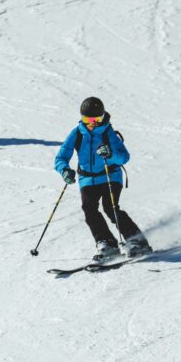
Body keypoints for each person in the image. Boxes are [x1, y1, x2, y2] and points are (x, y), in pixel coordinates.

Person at [54, 97, 153, 262]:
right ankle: (107, 244)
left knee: (111, 207)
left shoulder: (109, 133)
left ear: (102, 117)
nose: (92, 123)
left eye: (96, 119)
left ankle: (137, 241)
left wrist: (110, 154)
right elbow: (61, 157)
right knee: (89, 209)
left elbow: (123, 157)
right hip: (87, 179)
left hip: (110, 176)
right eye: (87, 119)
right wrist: (64, 170)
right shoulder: (77, 133)